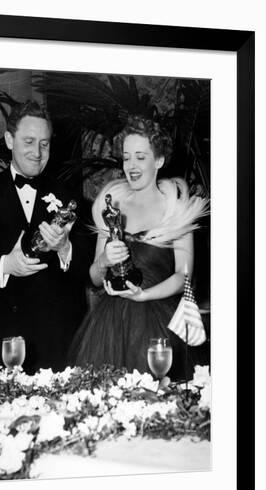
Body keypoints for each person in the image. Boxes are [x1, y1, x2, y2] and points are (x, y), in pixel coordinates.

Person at [0, 101, 94, 374]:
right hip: (5, 343)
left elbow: (91, 269)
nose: (37, 152)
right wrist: (6, 265)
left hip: (61, 344)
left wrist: (65, 248)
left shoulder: (71, 198)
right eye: (29, 141)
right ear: (9, 140)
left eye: (44, 143)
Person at [68, 115, 208, 380]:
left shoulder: (176, 207)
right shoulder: (111, 205)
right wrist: (104, 262)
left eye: (141, 157)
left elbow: (183, 276)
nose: (131, 165)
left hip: (160, 323)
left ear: (159, 161)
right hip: (109, 327)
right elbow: (94, 277)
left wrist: (145, 295)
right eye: (127, 157)